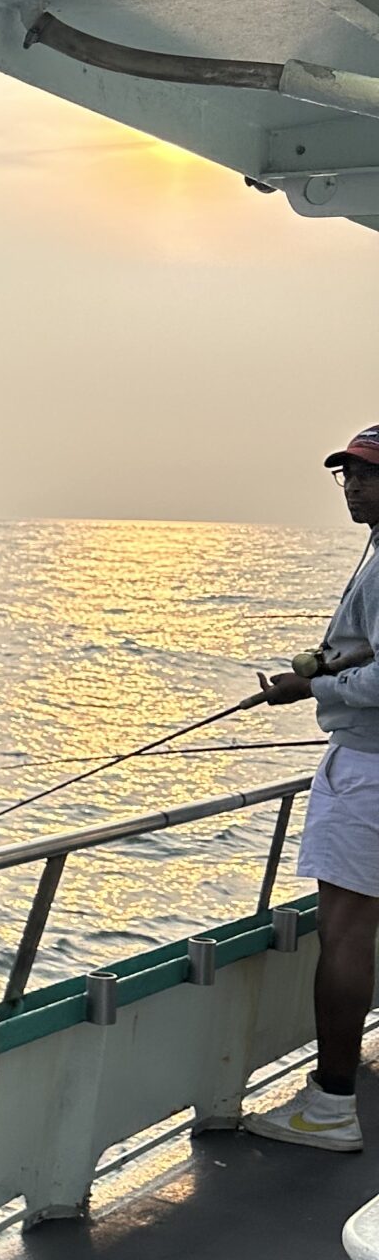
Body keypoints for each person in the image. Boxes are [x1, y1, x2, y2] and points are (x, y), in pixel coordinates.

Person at [248, 424, 379, 1152]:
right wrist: (318, 663)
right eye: (348, 474)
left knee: (347, 933)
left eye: (368, 475)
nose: (355, 486)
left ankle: (332, 1105)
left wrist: (314, 684)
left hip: (367, 769)